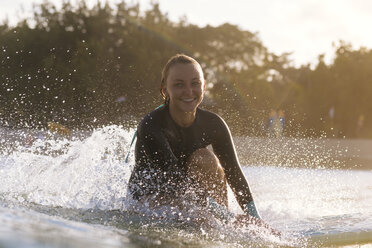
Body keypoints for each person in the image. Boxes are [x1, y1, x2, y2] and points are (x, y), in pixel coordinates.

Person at [128, 54, 261, 222]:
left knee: (205, 158)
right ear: (164, 89)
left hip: (191, 191)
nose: (188, 92)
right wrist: (228, 217)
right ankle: (224, 220)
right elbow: (174, 180)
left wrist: (255, 220)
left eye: (195, 83)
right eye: (178, 85)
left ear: (204, 86)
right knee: (200, 217)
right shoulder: (151, 125)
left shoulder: (214, 123)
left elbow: (234, 173)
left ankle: (224, 224)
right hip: (150, 195)